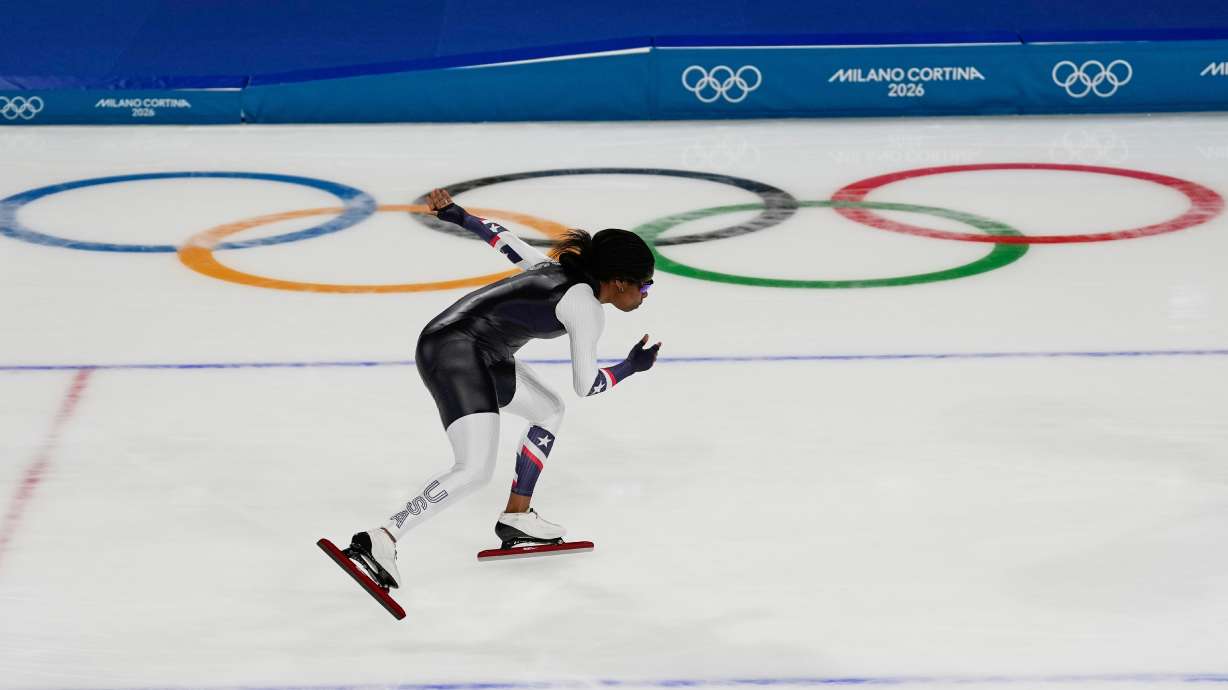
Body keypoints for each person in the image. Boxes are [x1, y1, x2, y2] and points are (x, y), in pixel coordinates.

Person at [343, 188, 661, 590]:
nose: (646, 295)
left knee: (548, 409)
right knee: (474, 469)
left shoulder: (555, 269)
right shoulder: (587, 310)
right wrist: (631, 367)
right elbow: (587, 385)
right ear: (618, 283)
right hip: (455, 351)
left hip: (480, 351)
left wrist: (458, 215)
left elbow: (504, 241)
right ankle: (381, 538)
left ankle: (517, 515)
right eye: (645, 287)